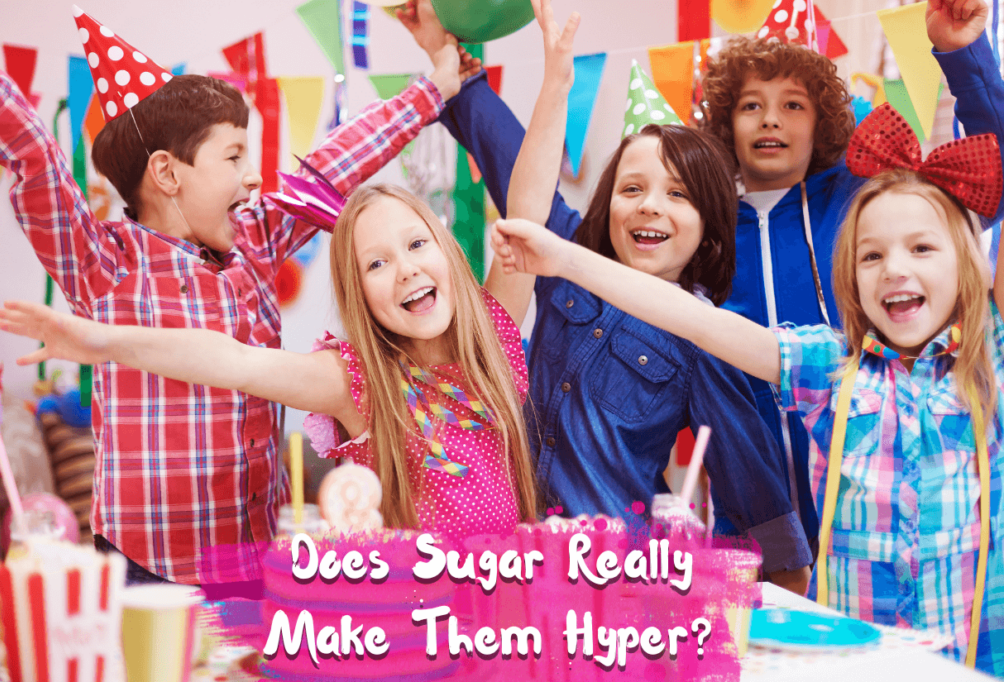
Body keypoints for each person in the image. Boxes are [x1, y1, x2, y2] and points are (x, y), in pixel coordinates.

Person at [490, 104, 1004, 673]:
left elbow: (745, 467)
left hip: (970, 660)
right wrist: (563, 256)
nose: (894, 269)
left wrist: (964, 53)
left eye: (923, 248)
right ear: (849, 277)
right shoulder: (829, 367)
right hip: (856, 661)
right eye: (872, 255)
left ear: (971, 264)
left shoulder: (989, 368)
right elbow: (699, 321)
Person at [0, 10, 478, 583]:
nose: (252, 177)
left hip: (256, 557)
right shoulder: (102, 264)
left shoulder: (257, 238)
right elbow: (34, 154)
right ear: (167, 174)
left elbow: (335, 164)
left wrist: (433, 89)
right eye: (235, 156)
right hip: (152, 567)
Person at [401, 0, 812, 591]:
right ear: (607, 205)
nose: (650, 205)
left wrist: (780, 587)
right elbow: (514, 162)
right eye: (633, 188)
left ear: (709, 227)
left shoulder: (706, 337)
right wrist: (452, 65)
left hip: (614, 583)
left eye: (678, 195)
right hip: (505, 566)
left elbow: (753, 486)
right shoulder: (566, 259)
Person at [0, 182, 538, 537]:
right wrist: (100, 342)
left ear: (446, 250)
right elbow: (231, 360)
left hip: (507, 624)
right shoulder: (358, 381)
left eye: (417, 245)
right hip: (416, 635)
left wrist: (557, 74)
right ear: (361, 296)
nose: (405, 270)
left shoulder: (488, 342)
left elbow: (529, 209)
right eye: (377, 262)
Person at [701, 0, 1004, 548]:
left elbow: (990, 174)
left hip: (880, 517)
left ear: (822, 122)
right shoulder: (703, 229)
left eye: (793, 104)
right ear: (726, 121)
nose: (771, 118)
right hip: (748, 528)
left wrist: (963, 54)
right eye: (752, 105)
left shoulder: (866, 204)